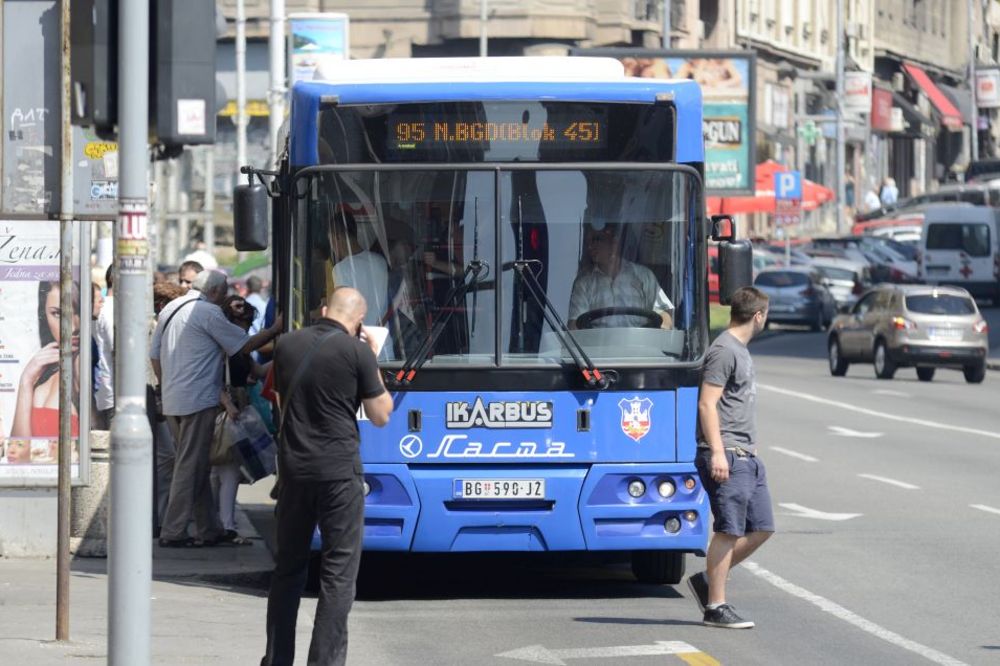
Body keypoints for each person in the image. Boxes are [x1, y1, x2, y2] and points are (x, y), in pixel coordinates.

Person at [262, 287, 393, 666]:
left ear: (323, 309)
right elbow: (382, 413)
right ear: (358, 320)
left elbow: (284, 398)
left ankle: (277, 659)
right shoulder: (356, 352)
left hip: (294, 471)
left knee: (287, 569)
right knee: (338, 574)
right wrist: (371, 358)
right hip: (338, 473)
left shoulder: (287, 346)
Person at [150, 270, 282, 548]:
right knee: (189, 466)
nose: (223, 299)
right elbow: (244, 345)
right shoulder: (207, 312)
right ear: (214, 292)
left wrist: (166, 386)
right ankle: (173, 531)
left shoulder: (171, 308)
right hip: (198, 400)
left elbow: (154, 355)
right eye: (222, 293)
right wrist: (273, 330)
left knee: (196, 464)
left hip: (174, 398)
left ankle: (210, 528)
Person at [688, 286, 774, 629]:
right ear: (758, 315)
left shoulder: (740, 349)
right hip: (727, 455)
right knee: (728, 531)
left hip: (746, 455)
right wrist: (719, 454)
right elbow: (707, 403)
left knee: (763, 527)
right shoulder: (724, 350)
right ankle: (716, 606)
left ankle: (710, 579)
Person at [213, 295, 271, 546]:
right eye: (243, 326)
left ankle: (219, 523)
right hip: (226, 411)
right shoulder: (222, 349)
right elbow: (212, 378)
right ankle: (226, 525)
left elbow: (257, 372)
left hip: (232, 409)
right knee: (227, 471)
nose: (245, 333)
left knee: (220, 469)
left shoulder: (239, 350)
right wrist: (227, 403)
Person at [568, 224, 674, 329]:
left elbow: (665, 315)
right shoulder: (583, 284)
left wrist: (661, 328)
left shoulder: (643, 275)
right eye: (588, 242)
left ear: (614, 242)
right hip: (597, 345)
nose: (590, 246)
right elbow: (574, 326)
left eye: (596, 240)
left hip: (641, 344)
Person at [10, 282, 81, 438]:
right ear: (44, 316)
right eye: (58, 314)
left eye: (79, 311)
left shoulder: (80, 365)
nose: (74, 326)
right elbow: (19, 447)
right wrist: (26, 380)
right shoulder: (45, 371)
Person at [327, 208, 389, 327]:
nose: (332, 248)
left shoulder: (341, 269)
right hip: (384, 342)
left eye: (331, 241)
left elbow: (341, 312)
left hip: (359, 342)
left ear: (337, 237)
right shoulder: (380, 261)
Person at [94, 265, 115, 428]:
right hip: (112, 392)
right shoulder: (110, 309)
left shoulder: (101, 307)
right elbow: (119, 350)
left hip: (105, 391)